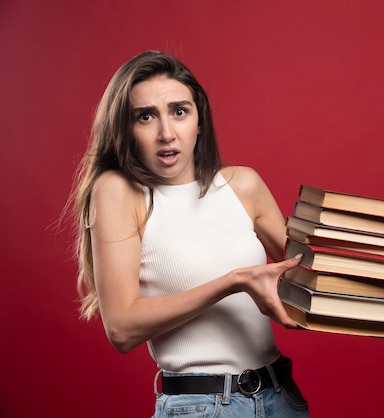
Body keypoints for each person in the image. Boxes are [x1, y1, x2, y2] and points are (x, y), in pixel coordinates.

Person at [69, 50, 309, 417]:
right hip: (201, 407)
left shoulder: (243, 184)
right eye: (146, 117)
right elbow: (121, 328)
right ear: (125, 128)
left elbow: (307, 275)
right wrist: (235, 281)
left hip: (280, 396)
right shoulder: (119, 191)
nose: (167, 133)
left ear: (199, 120)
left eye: (179, 112)